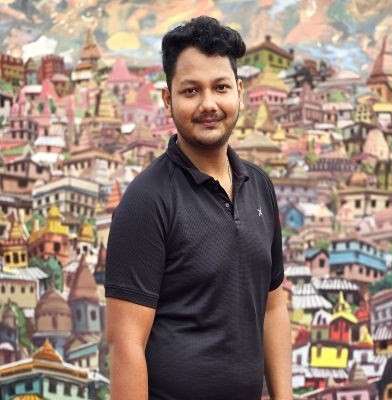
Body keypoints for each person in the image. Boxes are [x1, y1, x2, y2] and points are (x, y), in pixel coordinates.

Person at [105, 16, 292, 400]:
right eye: (191, 91)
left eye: (220, 87)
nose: (208, 104)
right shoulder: (147, 200)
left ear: (239, 91)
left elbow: (273, 309)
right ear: (168, 100)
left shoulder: (259, 187)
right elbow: (126, 345)